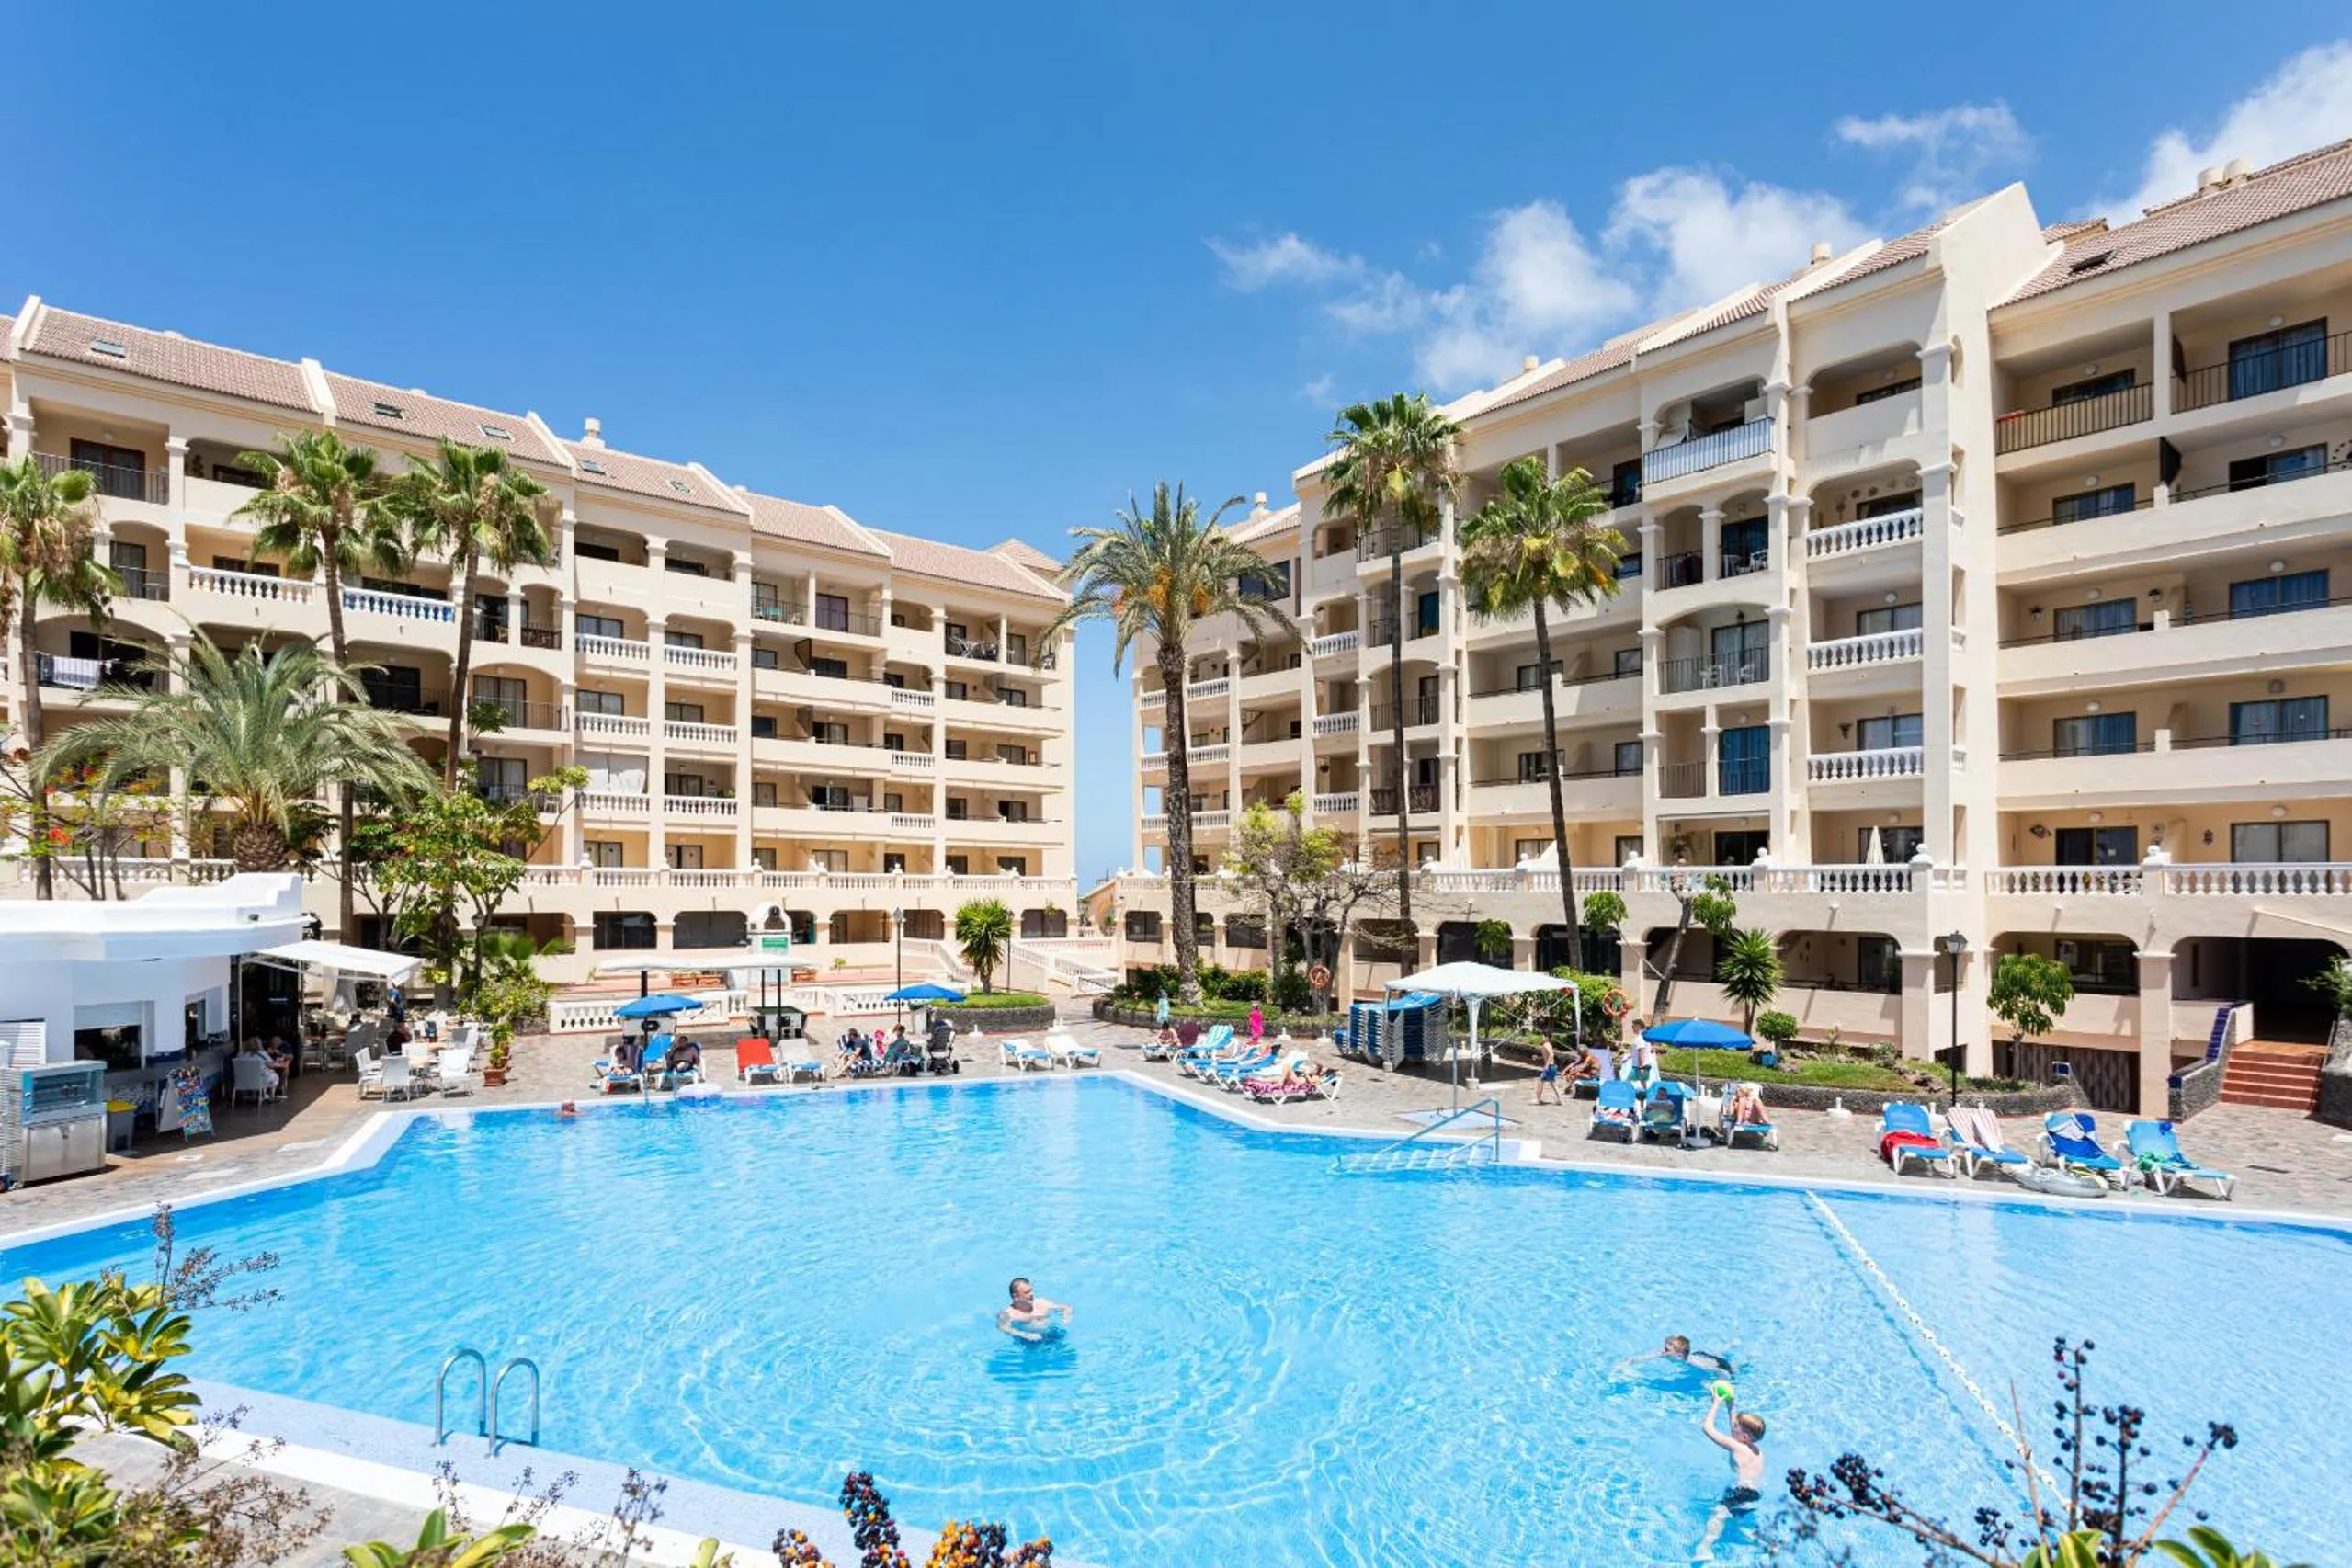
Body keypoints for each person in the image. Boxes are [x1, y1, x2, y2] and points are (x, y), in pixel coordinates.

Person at [1694, 1389, 1768, 1560]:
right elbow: (1737, 1432)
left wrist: (1716, 1403)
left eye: (1735, 1426)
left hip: (1740, 1490)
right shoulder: (1757, 1450)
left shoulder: (1736, 1446)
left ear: (1744, 1436)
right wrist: (1730, 1404)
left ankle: (1704, 1548)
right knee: (1736, 1517)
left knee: (1718, 1515)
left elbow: (1706, 1428)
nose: (1732, 1427)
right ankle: (1758, 1541)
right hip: (1755, 1492)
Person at [996, 1277, 1072, 1342]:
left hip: (1052, 1336)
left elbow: (1067, 1308)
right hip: (1029, 1342)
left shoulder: (1042, 1303)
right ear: (1015, 1296)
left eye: (1031, 1290)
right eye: (1027, 1293)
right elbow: (1002, 1327)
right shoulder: (1009, 1313)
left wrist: (1066, 1319)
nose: (1031, 1294)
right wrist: (1025, 1335)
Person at [1617, 1334, 1734, 1377]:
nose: (1663, 1351)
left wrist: (1725, 1377)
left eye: (1667, 1349)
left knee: (1722, 1360)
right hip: (1695, 1354)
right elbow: (1645, 1357)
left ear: (1678, 1355)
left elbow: (1717, 1370)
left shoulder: (1696, 1364)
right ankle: (1726, 1347)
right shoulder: (1667, 1353)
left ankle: (1730, 1346)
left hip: (1717, 1364)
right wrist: (1628, 1361)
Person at [1532, 1036, 1562, 1106]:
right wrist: (1538, 1058)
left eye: (1542, 1037)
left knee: (1540, 1082)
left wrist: (1546, 1066)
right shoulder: (1547, 1045)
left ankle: (1538, 1100)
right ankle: (1559, 1099)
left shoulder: (1546, 1045)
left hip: (1550, 1067)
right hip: (1552, 1067)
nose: (1540, 1038)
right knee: (1552, 1084)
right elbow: (1547, 1056)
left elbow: (1551, 1055)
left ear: (1546, 1038)